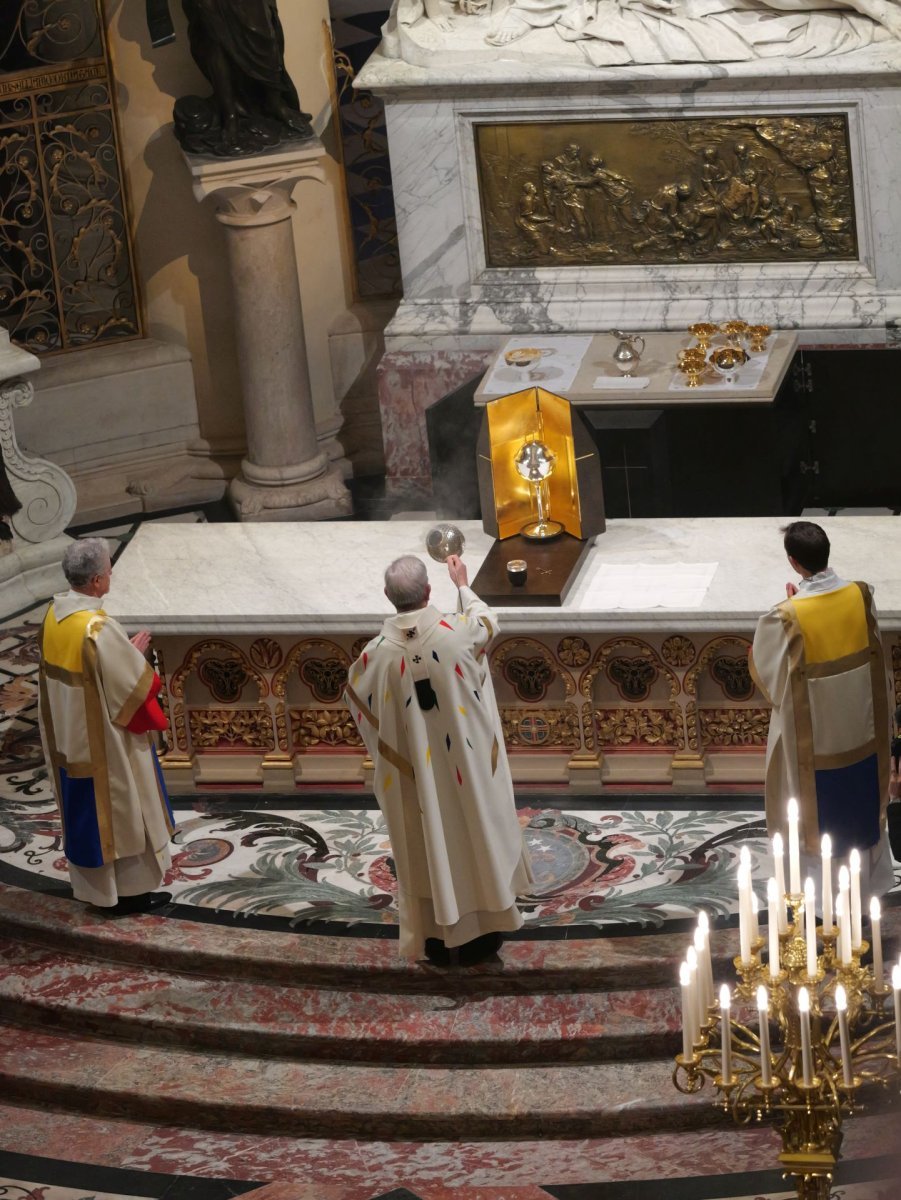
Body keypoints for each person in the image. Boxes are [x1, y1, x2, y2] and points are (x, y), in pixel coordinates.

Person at [344, 554, 532, 965]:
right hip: (466, 770)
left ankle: (435, 934)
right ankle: (485, 927)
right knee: (474, 834)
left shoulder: (371, 658)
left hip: (416, 779)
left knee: (427, 844)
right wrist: (463, 585)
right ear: (429, 591)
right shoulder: (458, 633)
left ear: (388, 598)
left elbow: (357, 699)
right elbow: (488, 622)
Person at [750, 521, 895, 898]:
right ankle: (865, 892)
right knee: (860, 807)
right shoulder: (860, 595)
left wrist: (793, 604)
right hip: (861, 735)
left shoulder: (785, 616)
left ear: (794, 562)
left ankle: (821, 904)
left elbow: (767, 673)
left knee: (816, 818)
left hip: (812, 749)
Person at [37, 538, 175, 915]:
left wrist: (122, 653)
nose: (111, 577)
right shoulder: (97, 628)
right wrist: (134, 655)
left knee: (87, 813)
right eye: (109, 572)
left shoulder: (54, 617)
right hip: (107, 744)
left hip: (70, 739)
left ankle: (97, 892)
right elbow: (132, 688)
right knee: (125, 812)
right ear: (97, 581)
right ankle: (130, 895)